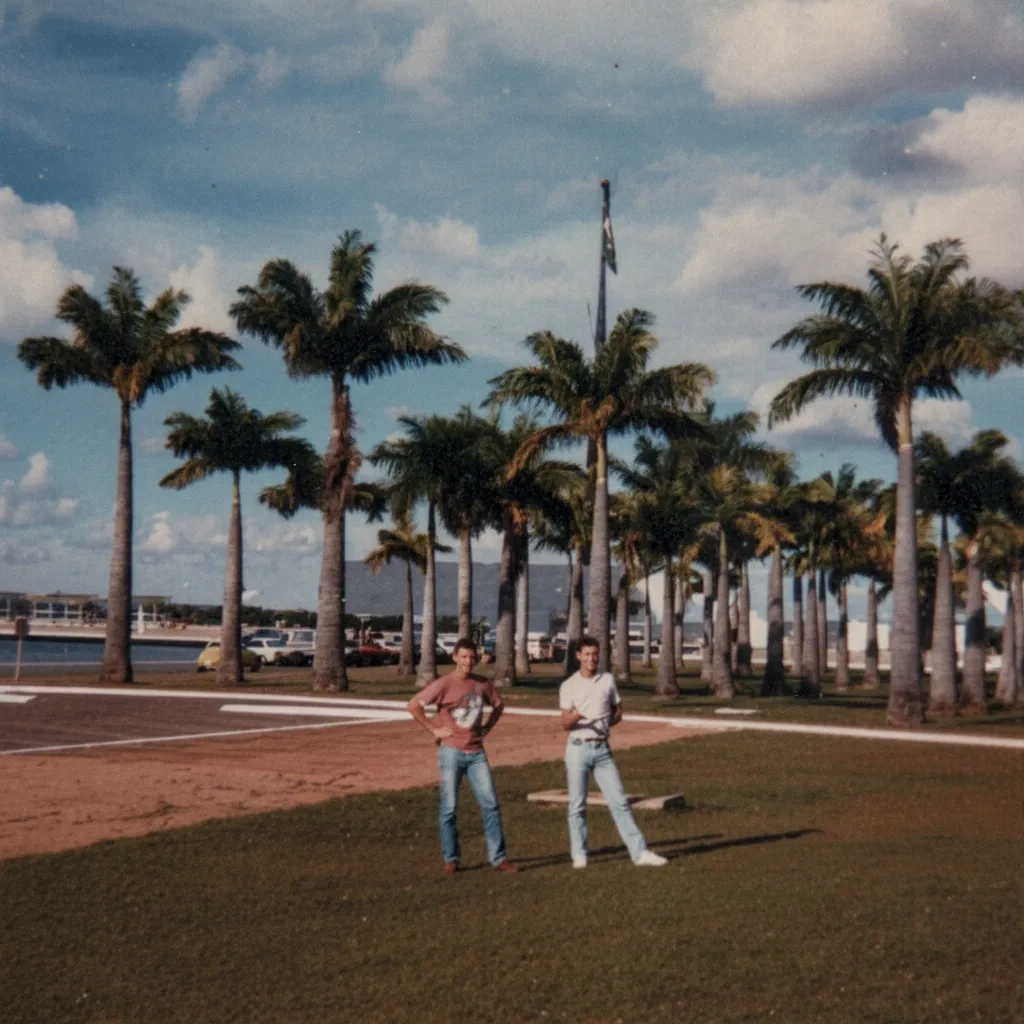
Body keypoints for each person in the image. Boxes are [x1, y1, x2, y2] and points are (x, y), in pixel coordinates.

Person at [408, 637, 518, 875]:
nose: (468, 661)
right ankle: (451, 858)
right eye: (464, 656)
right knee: (449, 807)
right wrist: (434, 729)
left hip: (477, 753)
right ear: (455, 657)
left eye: (472, 657)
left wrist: (487, 727)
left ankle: (499, 858)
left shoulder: (481, 684)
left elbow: (498, 704)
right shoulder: (444, 684)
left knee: (490, 806)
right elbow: (414, 705)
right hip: (451, 753)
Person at [559, 635, 667, 868]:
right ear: (578, 656)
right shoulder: (568, 686)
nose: (591, 659)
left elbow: (617, 711)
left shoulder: (607, 680)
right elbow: (565, 724)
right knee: (577, 805)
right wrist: (579, 714)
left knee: (619, 801)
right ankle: (579, 854)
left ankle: (639, 853)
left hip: (602, 750)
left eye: (595, 654)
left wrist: (611, 719)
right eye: (586, 654)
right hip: (578, 749)